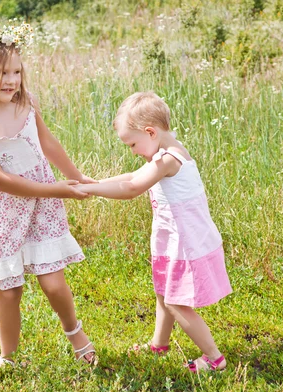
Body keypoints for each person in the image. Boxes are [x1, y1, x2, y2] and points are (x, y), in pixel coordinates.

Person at [0, 24, 97, 378]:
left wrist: (76, 177)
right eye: (1, 73)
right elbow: (1, 180)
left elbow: (49, 143)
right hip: (4, 210)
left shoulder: (26, 103)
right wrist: (61, 190)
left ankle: (77, 336)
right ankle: (7, 357)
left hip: (42, 204)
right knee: (9, 291)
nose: (12, 80)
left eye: (16, 72)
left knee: (54, 283)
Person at [77, 91, 232, 372]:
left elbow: (133, 188)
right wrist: (95, 182)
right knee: (164, 293)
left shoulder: (170, 160)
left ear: (150, 132)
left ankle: (214, 358)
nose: (133, 151)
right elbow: (132, 177)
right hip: (173, 241)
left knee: (176, 302)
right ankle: (159, 345)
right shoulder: (164, 153)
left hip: (186, 244)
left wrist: (91, 189)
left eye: (132, 144)